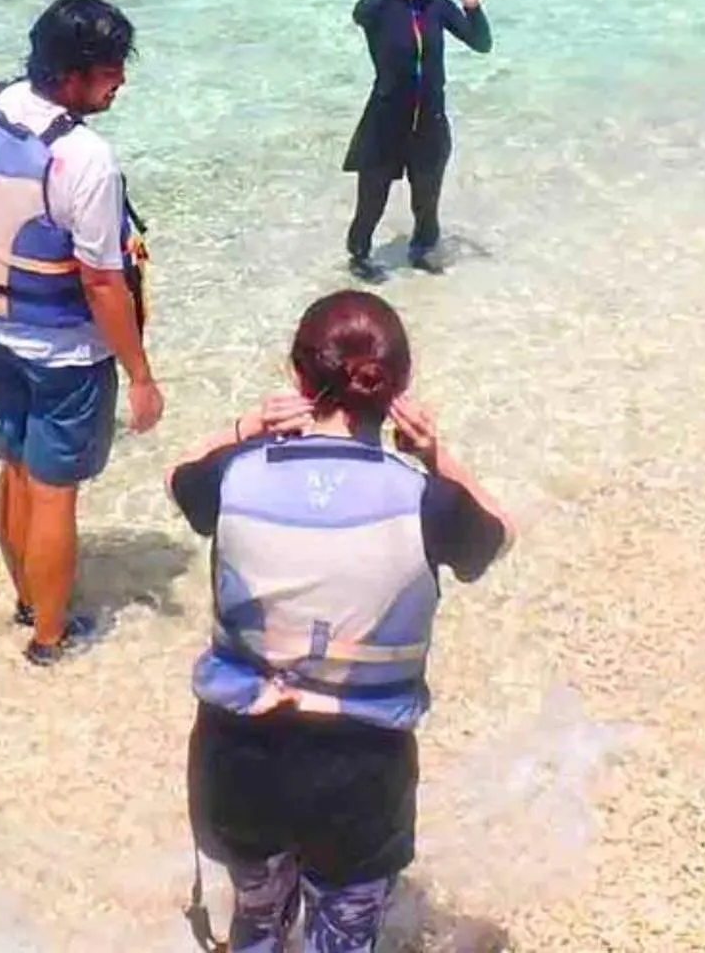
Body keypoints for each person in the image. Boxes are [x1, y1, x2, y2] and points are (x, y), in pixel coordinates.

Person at [168, 291, 511, 953]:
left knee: (259, 917)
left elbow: (176, 478)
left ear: (298, 378)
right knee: (344, 939)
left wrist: (246, 428)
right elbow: (498, 535)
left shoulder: (233, 476)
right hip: (361, 774)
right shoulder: (426, 501)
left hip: (238, 757)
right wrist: (439, 456)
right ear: (398, 389)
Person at [0, 0, 164, 666]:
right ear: (74, 76)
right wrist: (140, 374)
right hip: (65, 353)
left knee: (13, 468)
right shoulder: (85, 159)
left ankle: (25, 596)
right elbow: (102, 281)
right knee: (53, 493)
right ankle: (49, 636)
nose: (121, 81)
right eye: (110, 71)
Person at [341, 0, 493, 280]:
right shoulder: (376, 9)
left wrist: (471, 4)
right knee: (371, 201)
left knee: (427, 203)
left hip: (430, 121)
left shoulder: (436, 9)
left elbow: (481, 43)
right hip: (385, 121)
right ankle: (360, 256)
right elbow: (360, 14)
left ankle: (423, 250)